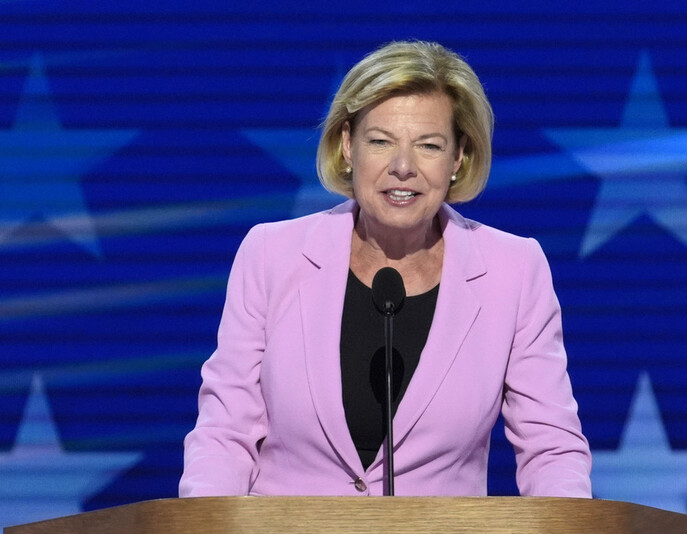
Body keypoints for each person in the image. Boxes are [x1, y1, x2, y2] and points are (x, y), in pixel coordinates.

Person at [179, 40, 591, 498]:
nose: (402, 167)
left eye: (429, 146)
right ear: (347, 147)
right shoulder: (271, 255)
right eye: (380, 142)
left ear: (458, 158)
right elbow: (224, 433)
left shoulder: (513, 270)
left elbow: (551, 448)